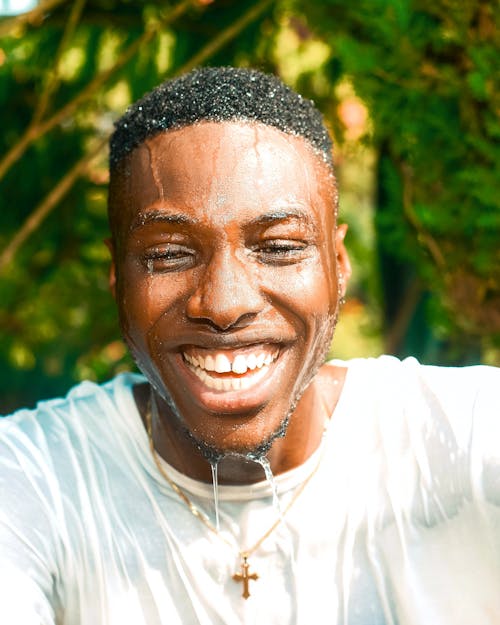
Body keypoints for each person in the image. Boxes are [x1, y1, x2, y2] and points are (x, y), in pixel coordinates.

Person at [1, 66, 499, 625]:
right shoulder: (35, 478)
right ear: (118, 280)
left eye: (279, 247)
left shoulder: (462, 435)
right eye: (168, 254)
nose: (224, 303)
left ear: (337, 265)